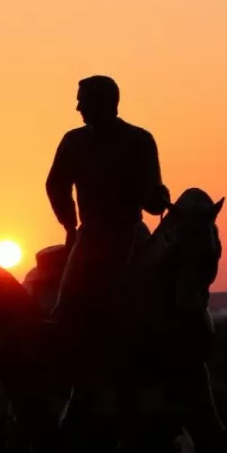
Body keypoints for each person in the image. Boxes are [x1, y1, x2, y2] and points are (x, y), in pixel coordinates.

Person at [46, 75, 171, 323]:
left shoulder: (140, 140)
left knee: (168, 292)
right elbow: (56, 185)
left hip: (131, 233)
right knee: (66, 307)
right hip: (91, 237)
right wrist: (70, 226)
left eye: (83, 101)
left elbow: (151, 199)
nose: (78, 108)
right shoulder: (74, 141)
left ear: (102, 103)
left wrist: (159, 198)